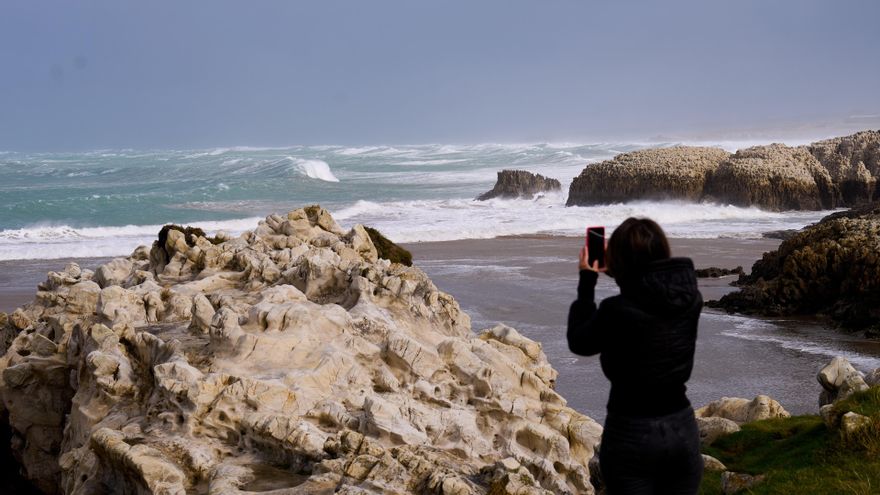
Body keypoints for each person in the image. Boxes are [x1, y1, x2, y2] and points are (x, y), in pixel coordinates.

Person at [567, 217, 703, 494]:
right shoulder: (690, 299)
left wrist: (588, 278)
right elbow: (651, 292)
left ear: (619, 261)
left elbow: (580, 341)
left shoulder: (615, 311)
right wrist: (620, 270)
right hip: (681, 427)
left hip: (631, 432)